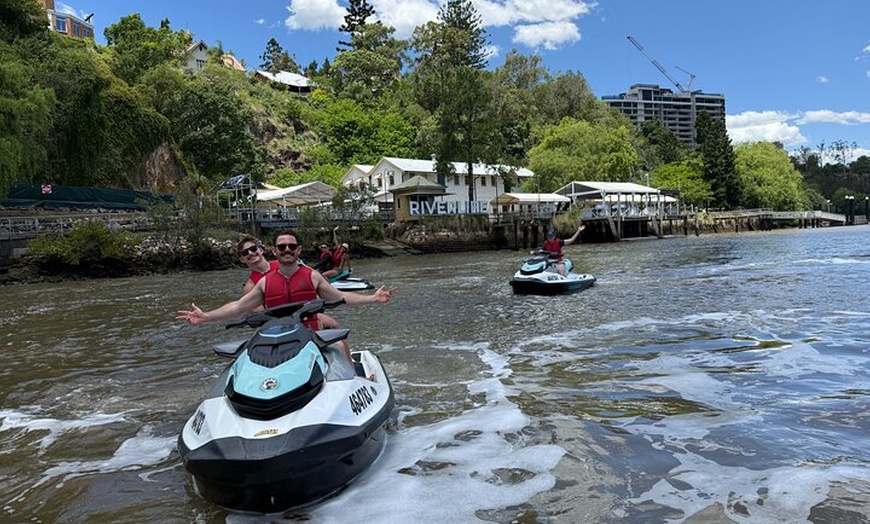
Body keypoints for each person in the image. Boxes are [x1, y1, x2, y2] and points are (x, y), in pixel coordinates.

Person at [177, 229, 394, 363]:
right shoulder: (262, 283)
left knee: (338, 342)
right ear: (275, 250)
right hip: (278, 340)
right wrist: (205, 317)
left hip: (312, 336)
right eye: (282, 247)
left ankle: (353, 378)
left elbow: (340, 297)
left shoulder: (312, 276)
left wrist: (373, 298)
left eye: (291, 246)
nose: (287, 249)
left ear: (298, 250)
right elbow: (238, 307)